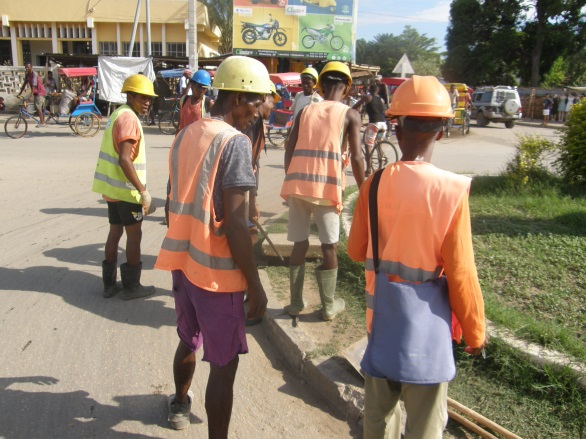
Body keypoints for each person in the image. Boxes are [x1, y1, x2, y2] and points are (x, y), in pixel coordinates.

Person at [347, 75, 488, 439]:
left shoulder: (373, 184)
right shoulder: (452, 190)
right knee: (425, 425)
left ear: (396, 126)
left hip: (380, 323)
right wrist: (474, 332)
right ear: (442, 130)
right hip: (428, 336)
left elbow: (354, 250)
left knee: (378, 420)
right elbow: (460, 271)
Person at [155, 55, 269, 435]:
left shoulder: (187, 132)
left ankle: (178, 402)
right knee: (224, 366)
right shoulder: (234, 142)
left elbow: (175, 197)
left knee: (188, 340)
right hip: (217, 276)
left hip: (183, 262)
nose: (260, 110)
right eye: (256, 101)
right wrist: (254, 285)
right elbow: (236, 224)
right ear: (236, 98)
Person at [280, 61, 365, 321]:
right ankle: (328, 306)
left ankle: (296, 304)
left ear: (320, 85)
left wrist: (291, 178)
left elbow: (289, 148)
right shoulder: (350, 115)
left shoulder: (306, 111)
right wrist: (365, 189)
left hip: (298, 186)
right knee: (329, 246)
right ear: (347, 88)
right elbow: (359, 158)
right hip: (326, 189)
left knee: (299, 243)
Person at [92, 74, 158, 301]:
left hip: (112, 190)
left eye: (149, 98)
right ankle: (131, 287)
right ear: (130, 95)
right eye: (142, 97)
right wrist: (143, 191)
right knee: (134, 236)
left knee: (115, 232)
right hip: (128, 192)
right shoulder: (129, 118)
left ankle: (109, 285)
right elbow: (124, 159)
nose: (147, 102)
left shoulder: (117, 114)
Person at [242, 83, 281, 243]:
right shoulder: (252, 122)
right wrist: (252, 201)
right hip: (240, 189)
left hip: (245, 189)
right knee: (249, 231)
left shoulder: (256, 122)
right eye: (272, 102)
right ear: (265, 98)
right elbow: (247, 165)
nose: (272, 107)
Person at [353, 83, 388, 174]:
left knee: (368, 146)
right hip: (383, 124)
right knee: (378, 143)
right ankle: (381, 163)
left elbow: (355, 107)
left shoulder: (367, 97)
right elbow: (375, 110)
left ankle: (368, 169)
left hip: (374, 124)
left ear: (370, 90)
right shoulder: (381, 100)